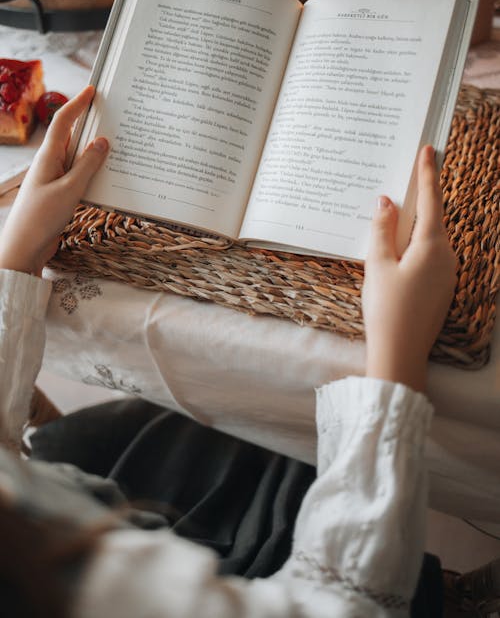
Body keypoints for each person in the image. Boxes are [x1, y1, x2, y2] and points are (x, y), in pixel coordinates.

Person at [0, 85, 457, 617]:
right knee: (288, 427)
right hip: (209, 578)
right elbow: (349, 604)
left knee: (240, 411)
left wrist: (18, 251)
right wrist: (397, 358)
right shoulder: (66, 590)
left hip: (70, 500)